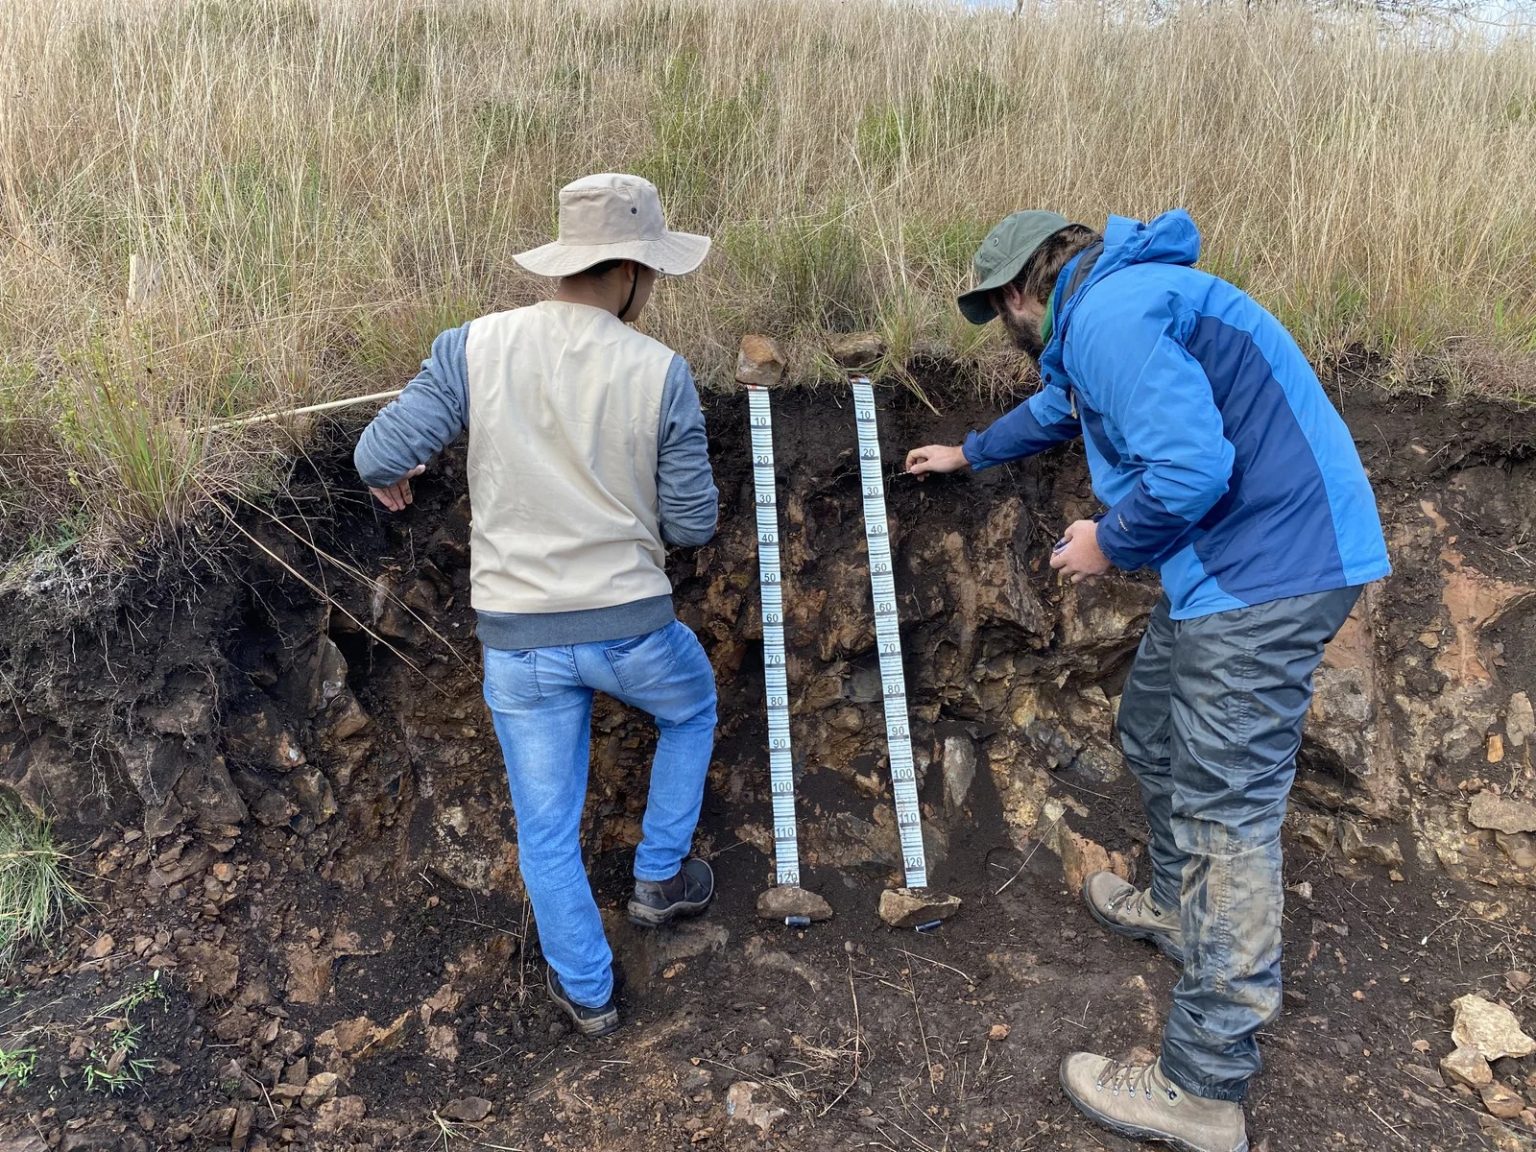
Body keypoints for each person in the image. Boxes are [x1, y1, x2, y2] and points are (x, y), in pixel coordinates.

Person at [906, 209, 1390, 1152]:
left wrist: (1109, 541)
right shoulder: (1110, 315)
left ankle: (1203, 1087)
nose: (1004, 332)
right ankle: (1174, 907)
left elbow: (1193, 468)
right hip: (1233, 570)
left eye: (996, 313)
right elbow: (1064, 409)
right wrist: (971, 450)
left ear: (1021, 293)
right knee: (1152, 728)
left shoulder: (1113, 317)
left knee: (1225, 818)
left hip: (1267, 578)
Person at [354, 173, 721, 1039]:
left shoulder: (472, 348)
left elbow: (377, 455)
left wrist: (397, 471)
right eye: (651, 272)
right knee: (692, 707)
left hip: (519, 644)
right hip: (633, 631)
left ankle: (589, 994)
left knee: (545, 830)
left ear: (565, 261)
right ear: (628, 271)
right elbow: (693, 523)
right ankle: (660, 878)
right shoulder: (660, 372)